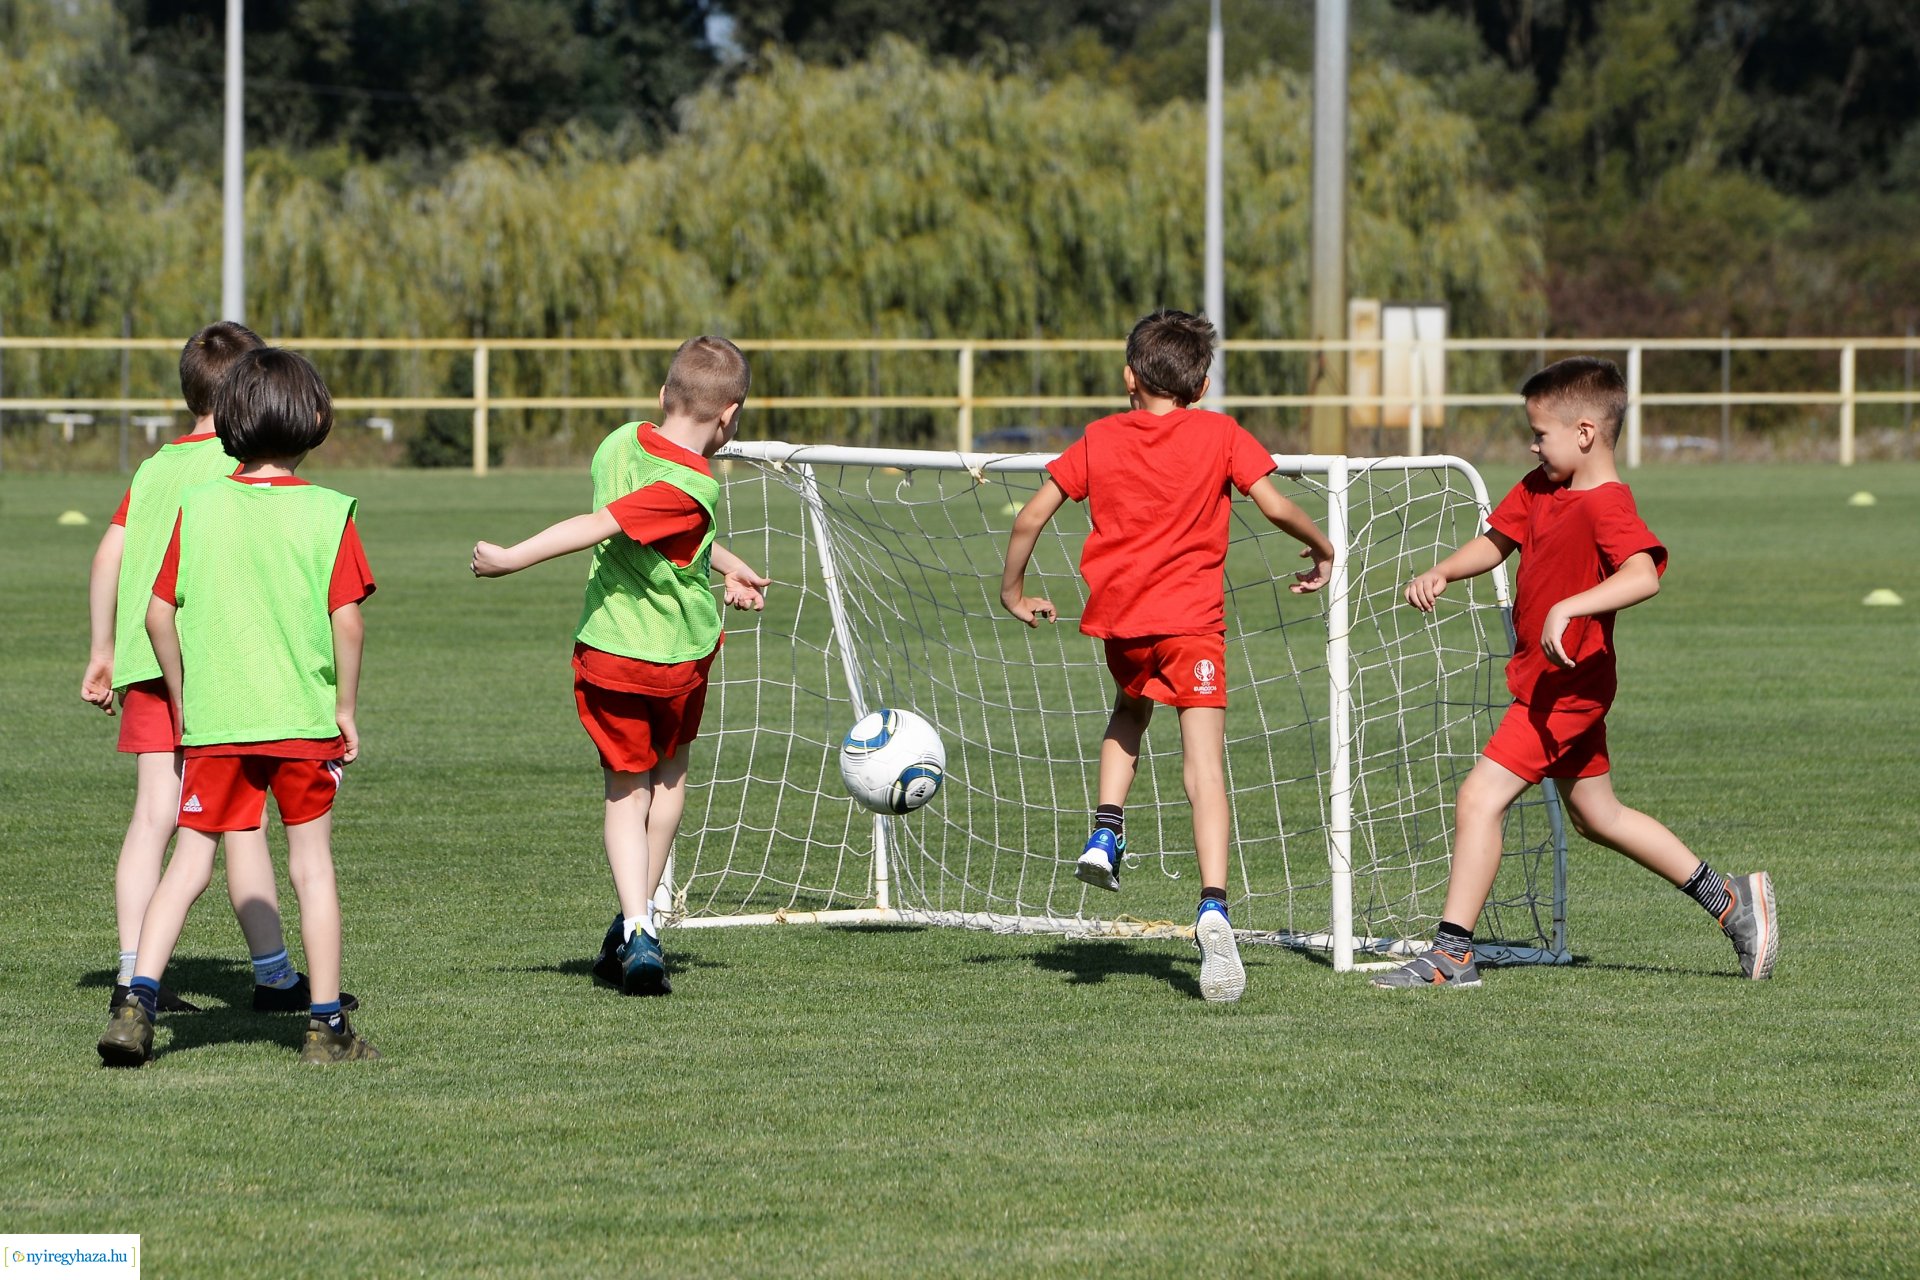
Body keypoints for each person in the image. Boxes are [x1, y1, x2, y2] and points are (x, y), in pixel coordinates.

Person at [1372, 356, 1777, 989]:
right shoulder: (1540, 485)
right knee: (1597, 816)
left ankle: (1451, 953)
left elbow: (1642, 574)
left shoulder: (1607, 504)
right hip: (1546, 680)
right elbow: (1499, 540)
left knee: (1479, 798)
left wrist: (1570, 604)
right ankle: (1730, 901)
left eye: (1540, 433)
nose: (1533, 445)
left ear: (1584, 433)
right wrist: (1446, 570)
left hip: (1567, 688)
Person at [1000, 309, 1334, 1003]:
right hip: (1193, 626)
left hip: (1122, 620)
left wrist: (1014, 590)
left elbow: (1031, 514)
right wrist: (1323, 544)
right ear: (1203, 384)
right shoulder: (1220, 433)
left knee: (1128, 709)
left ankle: (1106, 829)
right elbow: (1273, 506)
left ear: (1128, 376)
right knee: (1203, 765)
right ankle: (1213, 903)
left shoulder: (1097, 438)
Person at [98, 348, 378, 1066]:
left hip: (217, 724)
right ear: (313, 418)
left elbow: (159, 615)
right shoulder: (328, 511)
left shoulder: (198, 506)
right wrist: (346, 706)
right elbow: (348, 620)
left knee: (188, 865)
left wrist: (186, 696)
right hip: (301, 721)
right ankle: (325, 1028)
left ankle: (136, 1005)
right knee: (310, 867)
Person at [470, 336, 770, 997]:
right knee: (665, 788)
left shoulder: (619, 444)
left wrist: (727, 562)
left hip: (613, 652)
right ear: (729, 415)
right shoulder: (693, 483)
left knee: (624, 793)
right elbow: (610, 522)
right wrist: (514, 557)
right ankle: (640, 924)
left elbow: (658, 528)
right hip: (674, 657)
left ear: (666, 396)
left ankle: (634, 923)